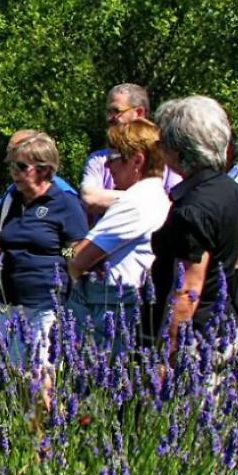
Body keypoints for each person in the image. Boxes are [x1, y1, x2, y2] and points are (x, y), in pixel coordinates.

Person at [147, 97, 238, 360]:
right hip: (223, 323)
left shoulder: (193, 210)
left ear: (180, 151)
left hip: (195, 338)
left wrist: (167, 357)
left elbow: (187, 291)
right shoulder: (233, 191)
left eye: (163, 145)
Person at [0, 131, 87, 363]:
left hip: (47, 305)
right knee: (13, 381)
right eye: (12, 166)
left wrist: (58, 255)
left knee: (42, 379)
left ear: (43, 169)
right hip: (9, 305)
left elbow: (76, 250)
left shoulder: (65, 203)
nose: (14, 173)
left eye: (21, 167)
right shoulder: (11, 202)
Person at [68, 118, 170, 346]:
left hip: (112, 312)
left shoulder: (135, 202)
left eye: (112, 158)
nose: (106, 166)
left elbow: (76, 258)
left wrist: (66, 251)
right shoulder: (154, 196)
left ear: (137, 160)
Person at [81, 83, 180, 219]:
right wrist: (151, 199)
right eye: (108, 112)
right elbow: (90, 199)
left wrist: (110, 198)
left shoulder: (165, 156)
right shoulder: (98, 159)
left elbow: (175, 205)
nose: (109, 118)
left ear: (139, 113)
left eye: (116, 111)